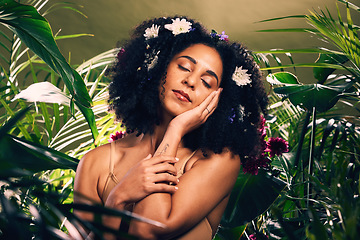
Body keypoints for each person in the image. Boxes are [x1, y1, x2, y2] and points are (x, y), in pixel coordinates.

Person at [74, 16, 268, 240]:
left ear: (219, 101)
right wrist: (118, 197)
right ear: (160, 65)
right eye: (184, 67)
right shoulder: (94, 164)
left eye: (207, 82)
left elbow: (147, 229)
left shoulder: (218, 161)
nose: (191, 81)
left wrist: (175, 130)